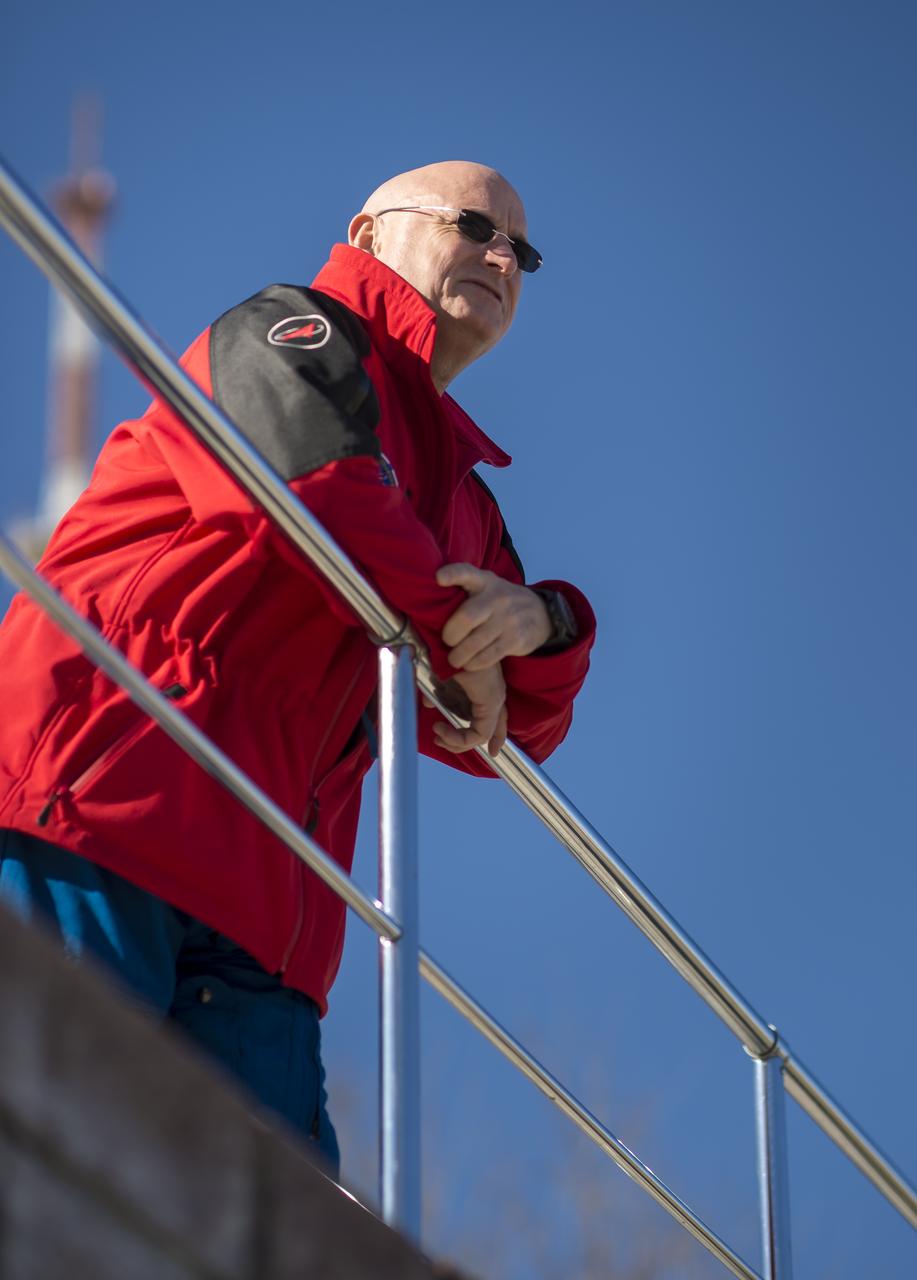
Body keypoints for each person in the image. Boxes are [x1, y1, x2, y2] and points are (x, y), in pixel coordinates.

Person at [0, 161, 595, 1176]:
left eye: (521, 251)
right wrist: (464, 640)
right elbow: (314, 491)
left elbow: (514, 731)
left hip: (270, 922)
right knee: (38, 1169)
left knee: (264, 1240)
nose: (501, 257)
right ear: (368, 233)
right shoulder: (288, 331)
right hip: (102, 806)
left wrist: (538, 621)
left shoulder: (461, 491)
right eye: (472, 226)